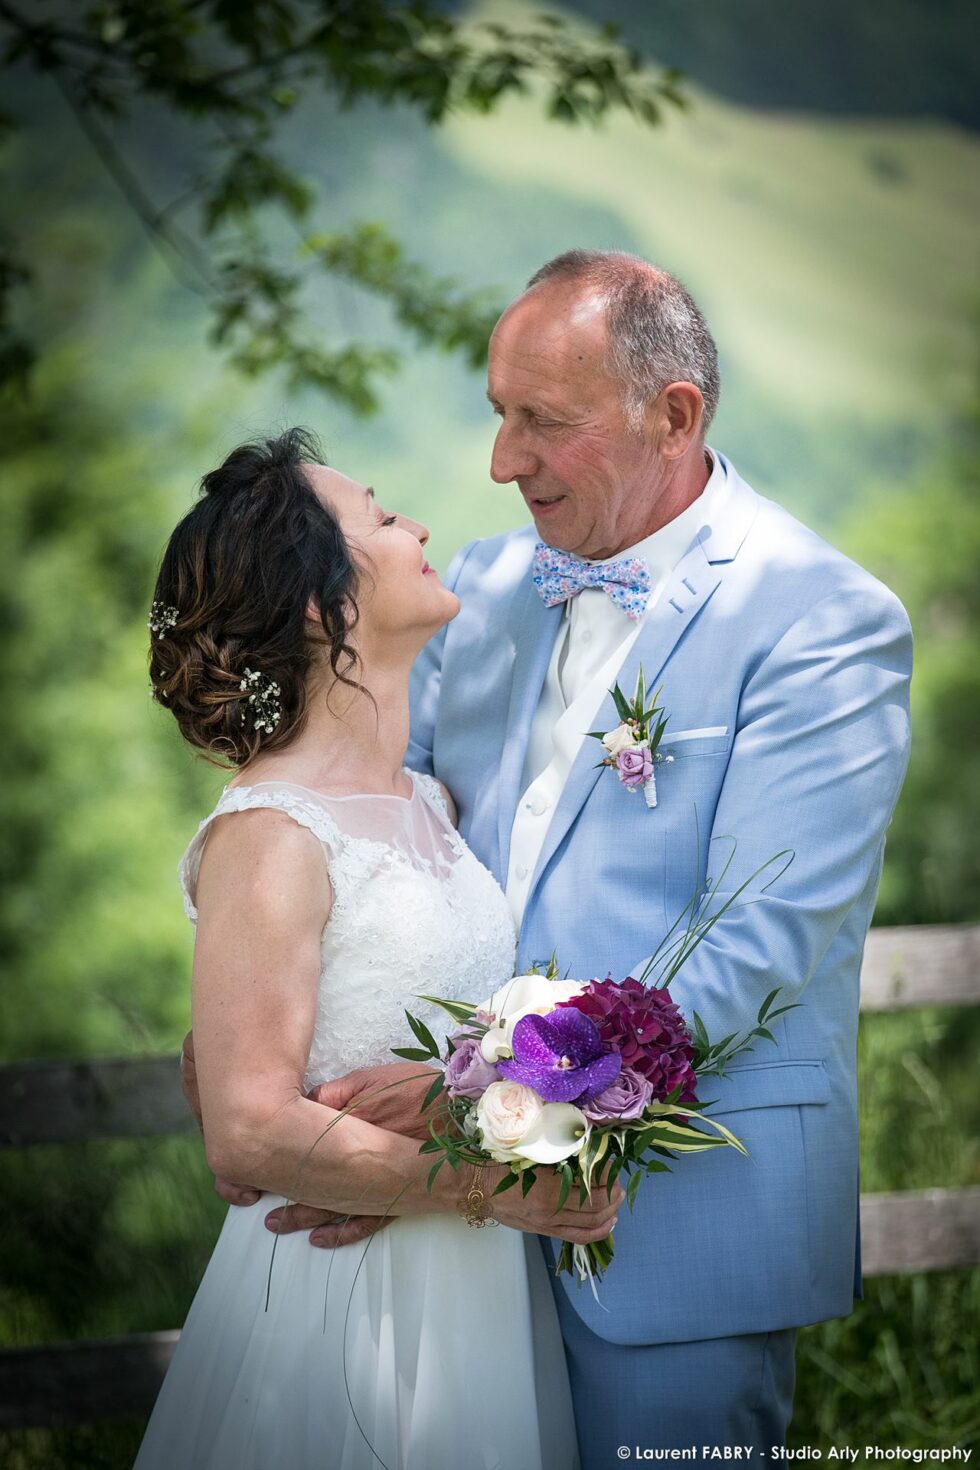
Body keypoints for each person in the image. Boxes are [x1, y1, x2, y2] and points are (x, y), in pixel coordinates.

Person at [202, 252, 912, 1466]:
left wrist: (485, 1098)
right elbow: (353, 833)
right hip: (436, 1235)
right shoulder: (467, 591)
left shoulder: (819, 620)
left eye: (545, 422)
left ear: (672, 414)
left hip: (673, 1233)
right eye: (497, 412)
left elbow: (753, 937)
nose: (500, 460)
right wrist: (266, 1067)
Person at [134, 428, 620, 1469]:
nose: (421, 528)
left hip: (479, 1303)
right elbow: (247, 1131)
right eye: (385, 518)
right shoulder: (272, 831)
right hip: (342, 1305)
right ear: (322, 606)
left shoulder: (427, 803)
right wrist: (503, 1188)